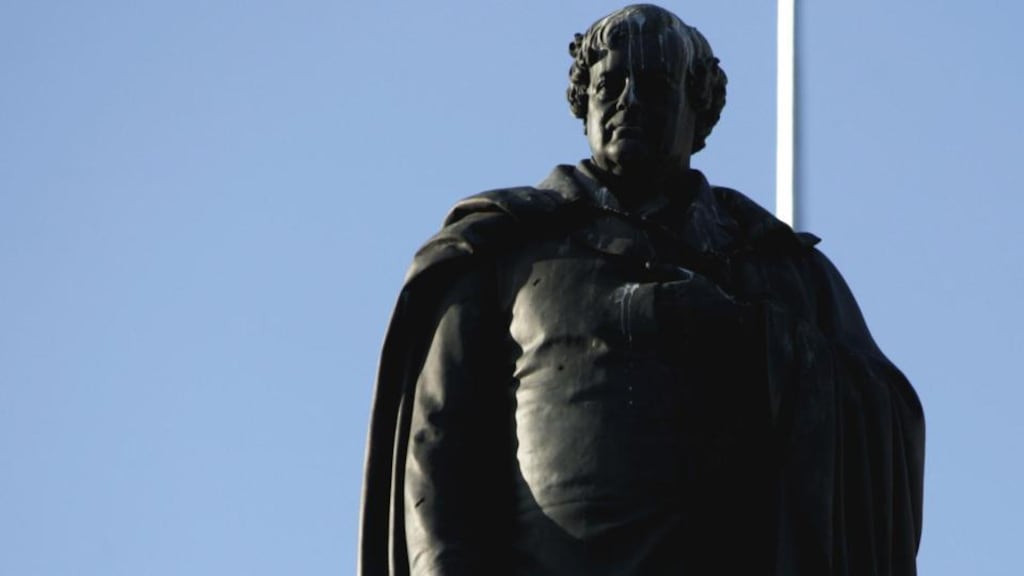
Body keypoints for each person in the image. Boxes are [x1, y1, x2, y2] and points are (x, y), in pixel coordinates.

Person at [360, 4, 924, 575]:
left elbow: (883, 419)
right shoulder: (503, 248)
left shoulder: (779, 269)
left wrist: (752, 335)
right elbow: (435, 456)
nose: (628, 101)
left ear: (698, 110)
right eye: (610, 83)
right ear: (584, 103)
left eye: (654, 84)